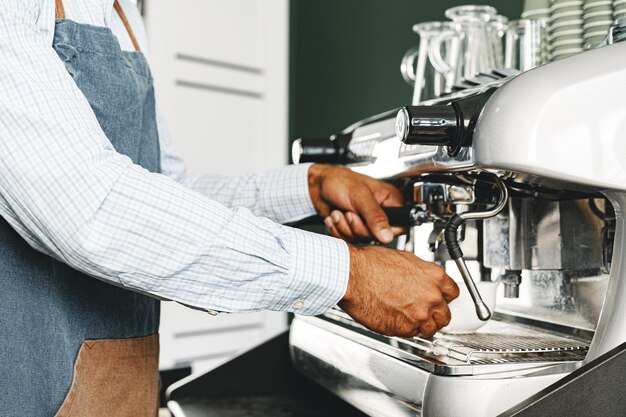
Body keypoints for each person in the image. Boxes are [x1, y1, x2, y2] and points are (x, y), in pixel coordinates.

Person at [0, 1, 459, 416]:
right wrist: (347, 274)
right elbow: (89, 206)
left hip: (116, 387)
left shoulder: (123, 11)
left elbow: (167, 191)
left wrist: (311, 186)